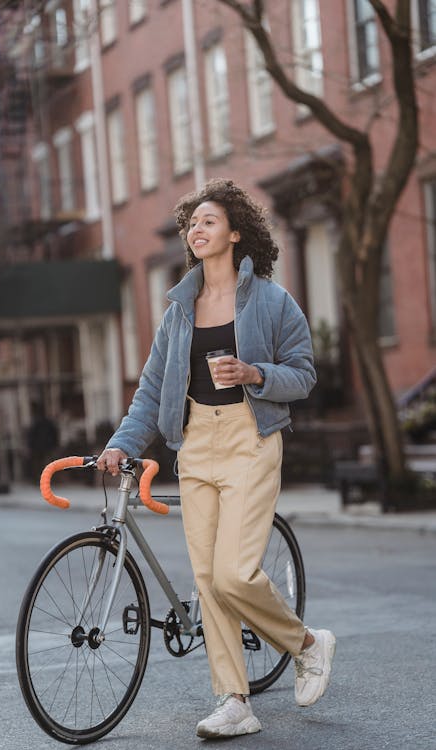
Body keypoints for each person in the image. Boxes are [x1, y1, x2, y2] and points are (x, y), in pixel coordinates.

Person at [97, 178, 335, 739]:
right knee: (208, 579)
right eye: (191, 223)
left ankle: (304, 642)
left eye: (207, 220)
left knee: (233, 572)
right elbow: (152, 389)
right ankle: (234, 700)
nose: (196, 230)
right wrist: (122, 444)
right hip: (195, 442)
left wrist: (255, 374)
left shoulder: (273, 301)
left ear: (234, 232)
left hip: (251, 439)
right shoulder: (179, 310)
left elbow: (303, 374)